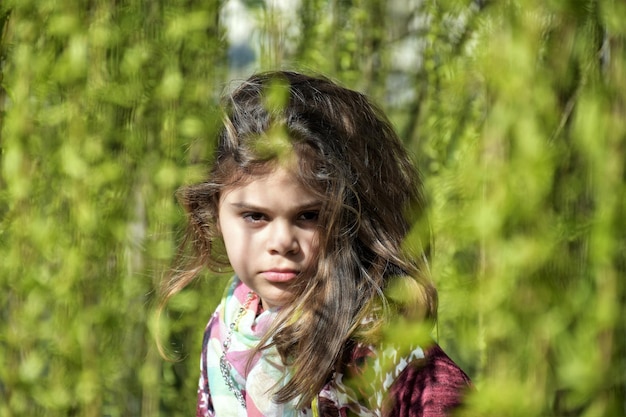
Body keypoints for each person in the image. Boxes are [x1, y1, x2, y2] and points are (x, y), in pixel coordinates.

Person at [160, 70, 471, 417]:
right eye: (255, 216)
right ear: (214, 213)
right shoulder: (230, 324)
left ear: (352, 217)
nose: (281, 242)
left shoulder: (385, 352)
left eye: (309, 216)